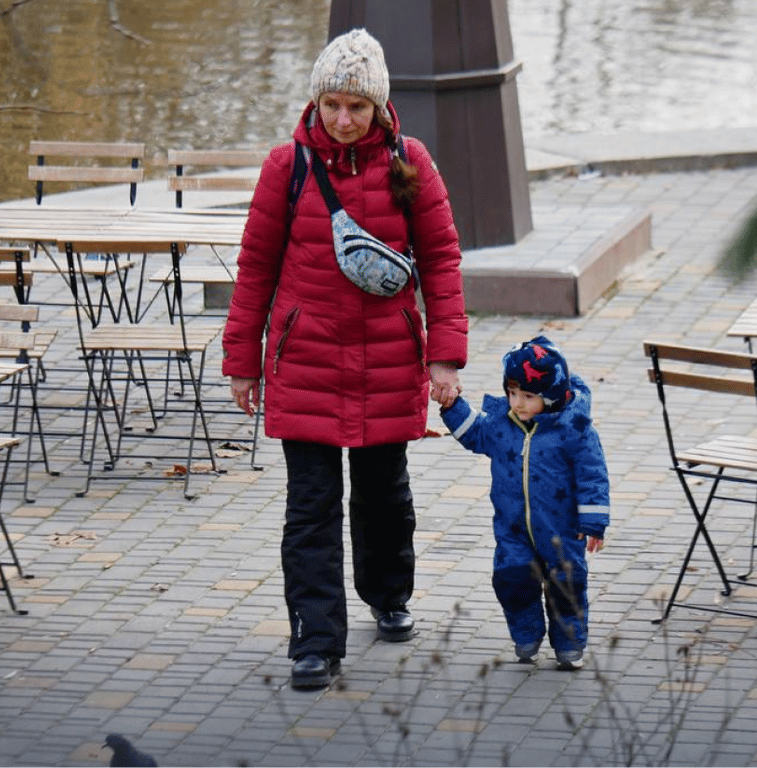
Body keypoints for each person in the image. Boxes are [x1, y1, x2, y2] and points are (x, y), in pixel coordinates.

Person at [222, 28, 468, 690]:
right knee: (311, 505)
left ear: (379, 107)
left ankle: (390, 596)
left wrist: (445, 357)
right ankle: (314, 640)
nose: (343, 118)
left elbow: (443, 262)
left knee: (385, 497)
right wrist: (243, 361)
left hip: (388, 361)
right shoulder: (286, 168)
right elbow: (256, 267)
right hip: (305, 363)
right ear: (316, 101)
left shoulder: (411, 164)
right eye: (333, 104)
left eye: (357, 107)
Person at [438, 336, 609, 670]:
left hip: (563, 529)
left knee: (566, 585)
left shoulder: (574, 429)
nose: (517, 403)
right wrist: (451, 405)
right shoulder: (503, 425)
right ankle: (526, 634)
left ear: (551, 395)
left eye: (528, 396)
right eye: (512, 393)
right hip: (513, 528)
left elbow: (593, 475)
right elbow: (475, 433)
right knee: (512, 578)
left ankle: (569, 644)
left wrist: (593, 521)